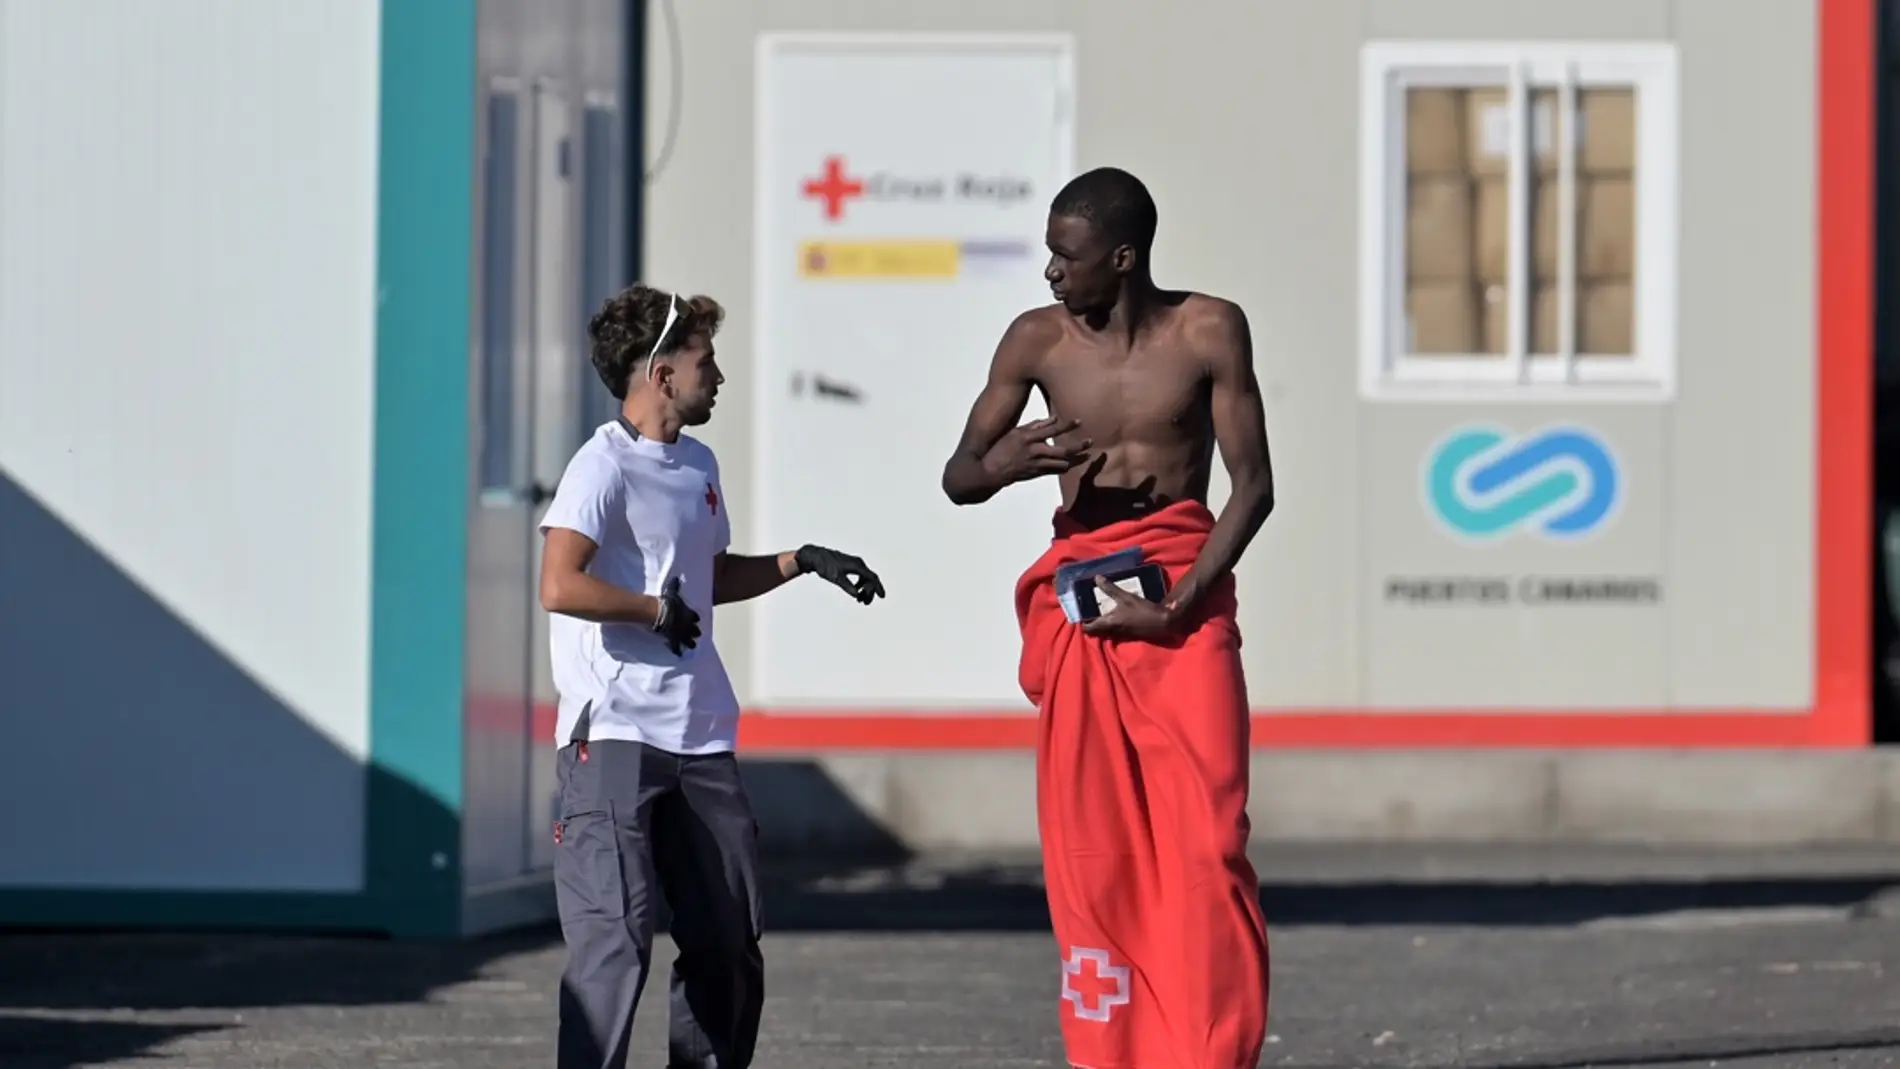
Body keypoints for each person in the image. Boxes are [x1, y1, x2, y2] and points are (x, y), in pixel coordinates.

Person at [940, 167, 1274, 1069]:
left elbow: (1254, 488)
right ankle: (1113, 1048)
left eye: (1067, 256)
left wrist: (1177, 607)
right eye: (1050, 253)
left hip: (1181, 588)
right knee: (1097, 848)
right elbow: (960, 474)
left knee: (1207, 839)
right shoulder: (1036, 342)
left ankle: (1209, 1052)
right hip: (1084, 594)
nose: (1051, 272)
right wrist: (1003, 463)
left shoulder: (1210, 328)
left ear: (1122, 259)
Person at [540, 283, 886, 1069]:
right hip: (615, 738)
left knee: (728, 941)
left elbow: (706, 573)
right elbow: (559, 583)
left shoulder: (697, 462)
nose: (718, 374)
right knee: (614, 948)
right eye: (706, 360)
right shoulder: (599, 466)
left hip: (699, 734)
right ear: (661, 373)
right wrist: (647, 612)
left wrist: (801, 561)